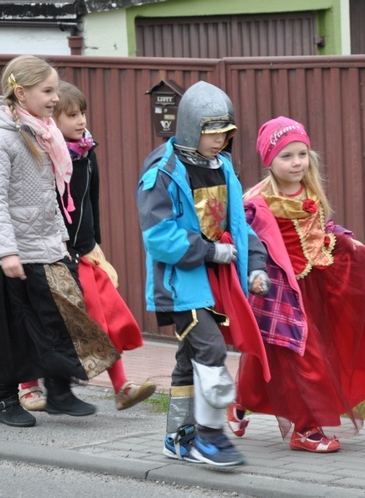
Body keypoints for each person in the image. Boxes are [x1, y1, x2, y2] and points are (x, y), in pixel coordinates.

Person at [232, 116, 365, 453]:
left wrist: (343, 239)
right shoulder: (257, 202)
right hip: (282, 291)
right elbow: (247, 242)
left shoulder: (309, 188)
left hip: (316, 284)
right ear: (269, 161)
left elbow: (322, 226)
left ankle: (241, 400)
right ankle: (306, 430)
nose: (296, 162)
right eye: (286, 156)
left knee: (275, 352)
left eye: (302, 154)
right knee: (305, 355)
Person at [0, 55, 119, 428]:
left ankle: (59, 392)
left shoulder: (42, 130)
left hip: (48, 245)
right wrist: (7, 253)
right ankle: (4, 401)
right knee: (13, 329)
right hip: (11, 254)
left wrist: (64, 241)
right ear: (21, 93)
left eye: (55, 90)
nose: (55, 98)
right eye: (47, 90)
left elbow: (51, 194)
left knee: (63, 315)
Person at [137, 80, 270, 467]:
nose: (220, 141)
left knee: (187, 357)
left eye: (226, 133)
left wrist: (254, 267)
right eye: (213, 132)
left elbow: (240, 227)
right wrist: (212, 250)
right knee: (210, 349)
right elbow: (160, 238)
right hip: (182, 284)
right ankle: (210, 439)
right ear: (192, 127)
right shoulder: (162, 171)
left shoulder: (222, 166)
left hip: (219, 281)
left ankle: (178, 438)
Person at [17, 80, 156, 413]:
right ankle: (28, 385)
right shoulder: (45, 153)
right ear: (52, 120)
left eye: (82, 113)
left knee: (105, 314)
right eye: (71, 115)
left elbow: (90, 201)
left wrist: (96, 244)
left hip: (83, 250)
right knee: (46, 321)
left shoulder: (87, 151)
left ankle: (121, 386)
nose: (80, 121)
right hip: (52, 252)